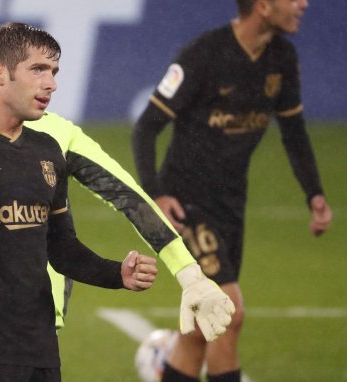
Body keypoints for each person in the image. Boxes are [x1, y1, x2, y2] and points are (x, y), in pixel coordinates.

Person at [0, 23, 232, 382]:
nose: (51, 83)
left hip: (27, 343)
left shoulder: (41, 145)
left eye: (53, 72)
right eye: (38, 69)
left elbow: (61, 245)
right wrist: (186, 271)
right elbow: (128, 195)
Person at [131, 1, 332, 381]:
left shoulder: (282, 58)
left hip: (231, 206)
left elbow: (294, 131)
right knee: (229, 312)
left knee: (199, 333)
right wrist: (155, 194)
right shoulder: (204, 54)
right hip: (185, 202)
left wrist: (314, 194)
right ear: (263, 6)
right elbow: (146, 127)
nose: (303, 3)